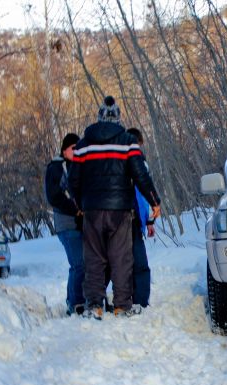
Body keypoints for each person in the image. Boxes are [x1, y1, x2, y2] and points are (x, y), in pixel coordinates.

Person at [69, 96, 161, 320]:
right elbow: (141, 174)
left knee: (94, 259)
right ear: (118, 118)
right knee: (121, 258)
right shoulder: (128, 141)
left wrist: (80, 204)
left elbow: (72, 180)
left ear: (99, 117)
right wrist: (154, 201)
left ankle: (94, 306)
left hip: (92, 210)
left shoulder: (83, 145)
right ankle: (122, 306)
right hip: (120, 210)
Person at [45, 133, 86, 316]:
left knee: (77, 264)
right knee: (79, 264)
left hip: (80, 223)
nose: (76, 151)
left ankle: (73, 300)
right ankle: (77, 302)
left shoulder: (77, 166)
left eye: (78, 148)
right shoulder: (56, 167)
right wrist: (74, 209)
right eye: (73, 148)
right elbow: (54, 197)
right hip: (66, 223)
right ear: (64, 149)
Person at [126, 127, 155, 308]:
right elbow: (144, 195)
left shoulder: (117, 162)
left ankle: (128, 298)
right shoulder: (139, 163)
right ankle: (140, 301)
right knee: (140, 263)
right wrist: (149, 219)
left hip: (121, 219)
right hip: (133, 218)